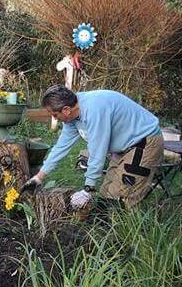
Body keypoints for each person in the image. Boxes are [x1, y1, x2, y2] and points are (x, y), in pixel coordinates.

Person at [21, 85, 163, 209]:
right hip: (123, 149)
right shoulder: (72, 118)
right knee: (105, 196)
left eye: (55, 115)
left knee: (120, 199)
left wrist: (88, 189)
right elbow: (60, 148)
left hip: (143, 143)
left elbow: (97, 151)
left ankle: (126, 236)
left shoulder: (95, 109)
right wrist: (38, 177)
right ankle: (108, 232)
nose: (55, 119)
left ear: (66, 110)